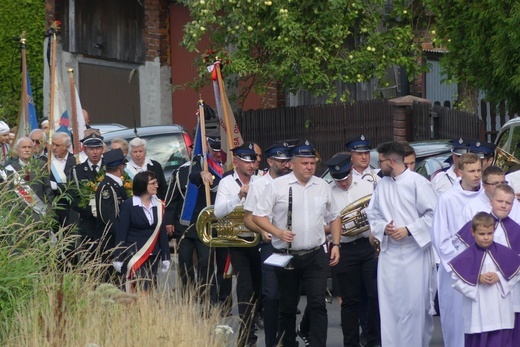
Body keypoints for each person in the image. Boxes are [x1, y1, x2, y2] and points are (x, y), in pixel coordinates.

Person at [253, 139, 341, 347]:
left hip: (315, 254)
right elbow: (258, 216)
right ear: (292, 164)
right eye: (304, 163)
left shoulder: (322, 186)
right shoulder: (277, 186)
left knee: (318, 304)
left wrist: (335, 244)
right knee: (288, 306)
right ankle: (288, 343)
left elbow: (335, 217)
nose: (310, 167)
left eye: (312, 163)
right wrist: (277, 232)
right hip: (286, 254)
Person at [365, 141, 437, 347]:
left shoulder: (418, 183)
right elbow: (373, 214)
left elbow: (434, 214)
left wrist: (408, 230)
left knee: (413, 309)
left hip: (414, 252)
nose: (379, 166)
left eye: (381, 161)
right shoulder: (382, 185)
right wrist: (383, 228)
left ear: (391, 161)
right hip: (389, 255)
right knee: (390, 308)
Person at [324, 153, 380, 347]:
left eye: (346, 178)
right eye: (338, 180)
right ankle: (351, 343)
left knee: (374, 296)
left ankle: (374, 340)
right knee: (349, 301)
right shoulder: (327, 191)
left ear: (350, 170)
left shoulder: (367, 185)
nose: (343, 183)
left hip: (367, 246)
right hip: (343, 248)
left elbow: (377, 213)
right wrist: (338, 226)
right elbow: (321, 224)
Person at [431, 153, 483, 347]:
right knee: (455, 320)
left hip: (481, 268)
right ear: (460, 172)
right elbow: (440, 236)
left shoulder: (486, 197)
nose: (477, 175)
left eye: (479, 170)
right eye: (472, 171)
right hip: (454, 268)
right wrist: (460, 264)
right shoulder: (447, 199)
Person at [244, 140, 292, 347]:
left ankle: (288, 340)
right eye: (282, 161)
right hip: (270, 244)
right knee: (271, 295)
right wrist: (263, 231)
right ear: (271, 161)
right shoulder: (258, 184)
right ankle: (272, 341)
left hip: (292, 244)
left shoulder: (293, 181)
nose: (286, 164)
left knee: (288, 297)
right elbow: (248, 218)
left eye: (288, 160)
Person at [449, 212, 520, 347]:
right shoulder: (465, 256)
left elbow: (516, 272)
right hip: (477, 314)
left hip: (501, 312)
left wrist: (499, 276)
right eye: (482, 234)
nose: (486, 237)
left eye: (489, 233)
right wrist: (477, 278)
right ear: (473, 232)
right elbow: (455, 280)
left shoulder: (505, 252)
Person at [214, 142, 260, 347]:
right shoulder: (226, 182)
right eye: (246, 161)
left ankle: (253, 323)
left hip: (259, 240)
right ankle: (247, 337)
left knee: (260, 289)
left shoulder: (262, 181)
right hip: (238, 242)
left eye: (253, 161)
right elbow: (218, 212)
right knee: (244, 289)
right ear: (236, 161)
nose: (251, 165)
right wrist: (239, 196)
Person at [114, 171, 170, 291]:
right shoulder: (129, 205)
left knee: (150, 286)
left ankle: (145, 309)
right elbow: (121, 232)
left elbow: (162, 232)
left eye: (156, 182)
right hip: (134, 254)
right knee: (141, 286)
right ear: (143, 185)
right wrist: (118, 256)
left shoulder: (159, 205)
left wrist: (166, 256)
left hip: (153, 254)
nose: (157, 185)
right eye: (153, 183)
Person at [71, 133, 105, 262]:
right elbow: (74, 199)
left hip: (108, 222)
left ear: (102, 149)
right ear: (84, 150)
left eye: (98, 148)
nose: (95, 152)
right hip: (88, 223)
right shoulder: (77, 171)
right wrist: (92, 211)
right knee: (90, 261)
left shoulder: (110, 168)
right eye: (91, 149)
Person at [96, 149, 129, 282]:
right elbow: (108, 217)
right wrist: (121, 235)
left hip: (117, 239)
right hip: (111, 240)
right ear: (121, 167)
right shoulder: (107, 187)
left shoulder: (115, 184)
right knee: (112, 279)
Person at [4, 137, 53, 218]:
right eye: (24, 147)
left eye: (30, 147)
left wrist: (49, 211)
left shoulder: (41, 165)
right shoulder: (9, 168)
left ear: (33, 150)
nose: (27, 150)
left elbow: (47, 190)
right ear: (17, 149)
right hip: (18, 215)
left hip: (38, 215)